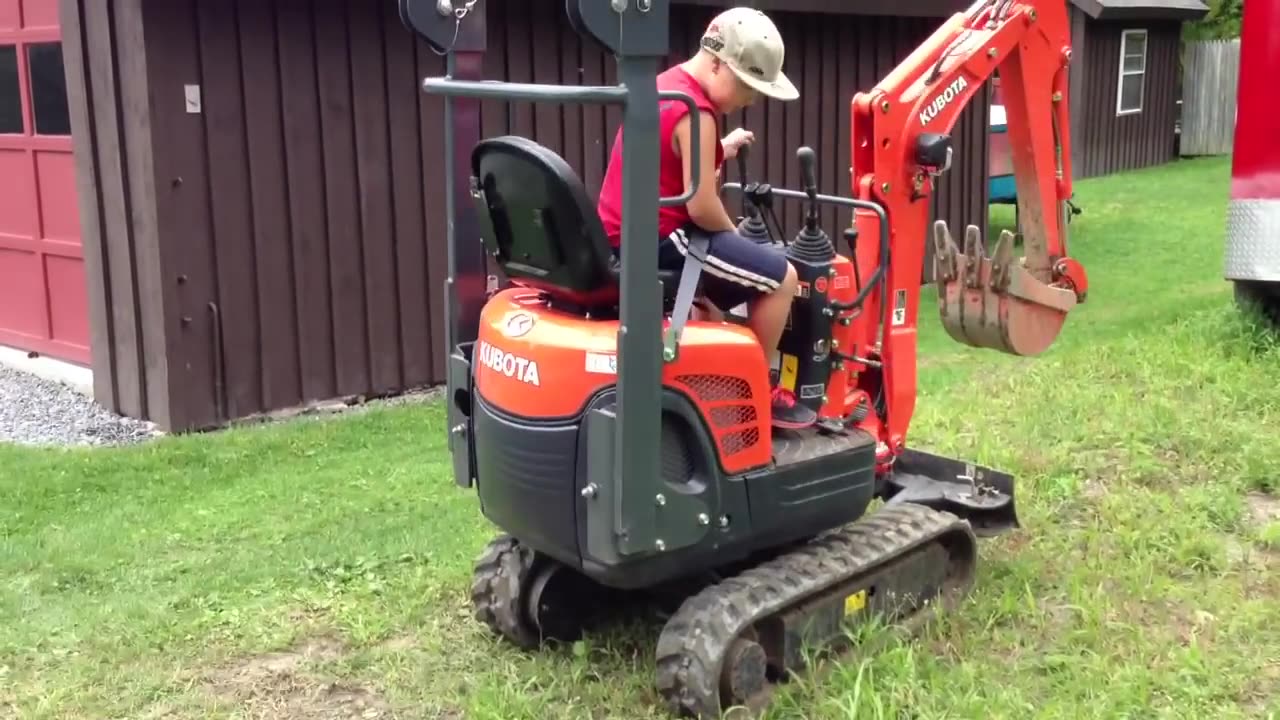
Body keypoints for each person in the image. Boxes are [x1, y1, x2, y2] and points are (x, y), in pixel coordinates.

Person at [596, 6, 816, 430]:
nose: (751, 99)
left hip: (627, 230)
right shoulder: (697, 112)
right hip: (661, 236)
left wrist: (722, 147)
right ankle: (752, 391)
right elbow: (700, 205)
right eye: (749, 86)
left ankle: (706, 382)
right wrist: (739, 238)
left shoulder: (663, 86)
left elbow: (672, 164)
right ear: (717, 63)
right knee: (782, 277)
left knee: (714, 298)